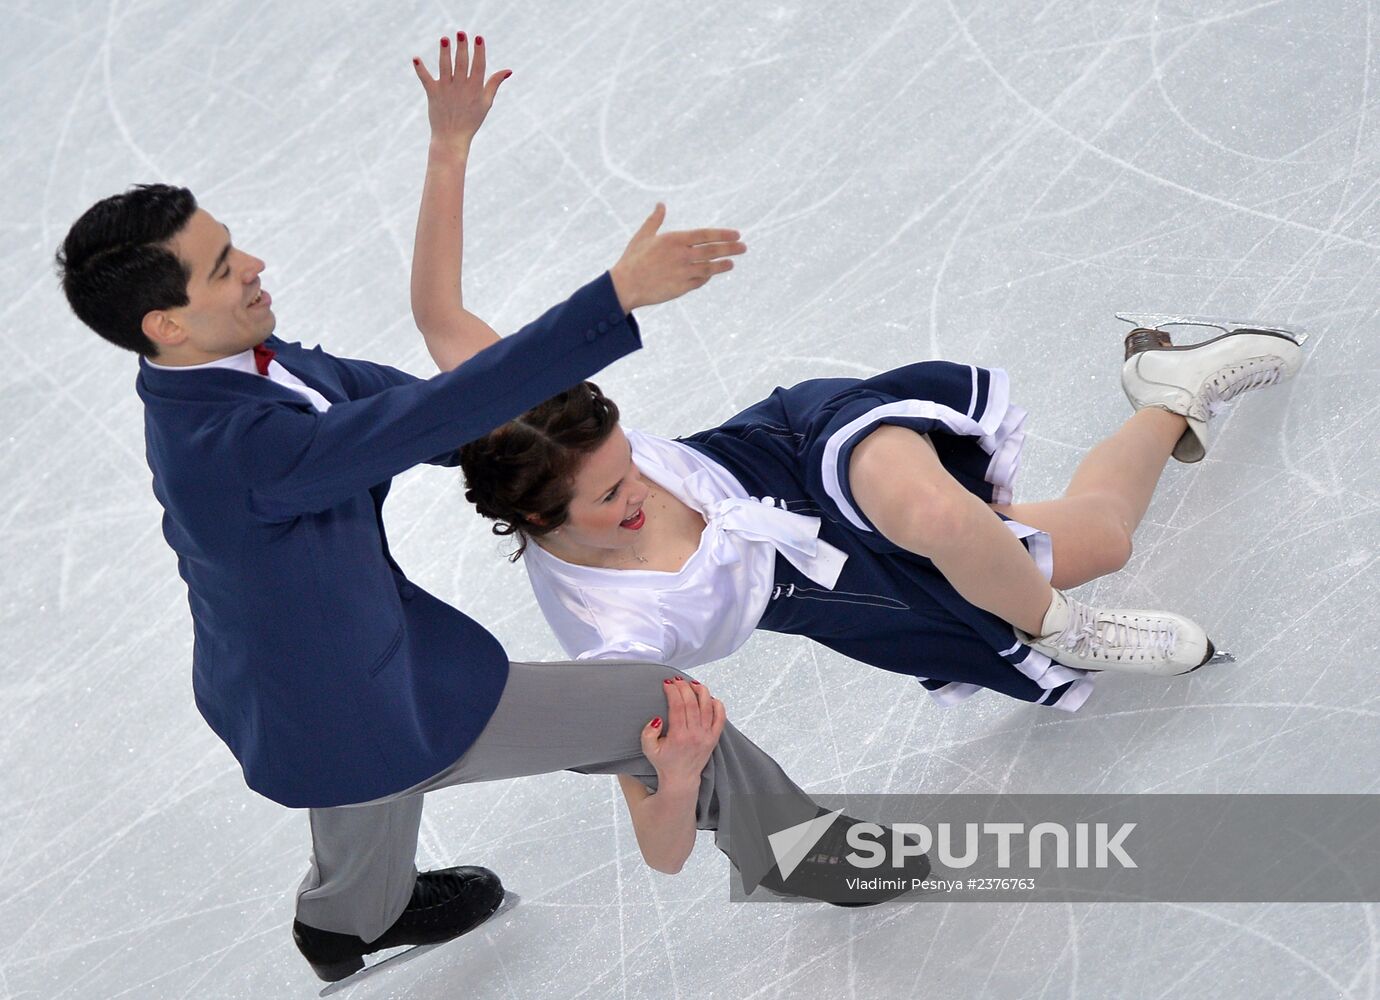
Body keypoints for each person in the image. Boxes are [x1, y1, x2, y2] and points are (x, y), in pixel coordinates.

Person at [54, 33, 908, 985]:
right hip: (357, 691)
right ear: (164, 324)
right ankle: (807, 853)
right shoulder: (237, 447)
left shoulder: (236, 370)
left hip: (303, 682)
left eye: (231, 241)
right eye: (222, 266)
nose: (253, 262)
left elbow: (408, 414)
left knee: (360, 770)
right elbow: (435, 413)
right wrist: (613, 299)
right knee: (643, 706)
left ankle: (346, 924)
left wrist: (544, 453)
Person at [458, 324, 1302, 712]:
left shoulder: (543, 431)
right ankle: (1168, 393)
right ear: (537, 514)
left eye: (628, 464)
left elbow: (442, 321)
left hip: (796, 446)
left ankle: (1059, 627)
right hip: (846, 590)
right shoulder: (611, 631)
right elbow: (647, 759)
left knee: (933, 510)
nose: (637, 489)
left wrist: (451, 146)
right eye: (609, 499)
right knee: (1101, 536)